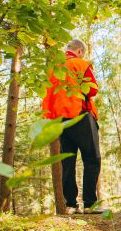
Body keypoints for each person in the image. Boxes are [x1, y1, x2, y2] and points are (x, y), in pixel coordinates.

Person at [42, 39, 106, 215]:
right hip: (81, 115)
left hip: (60, 120)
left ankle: (70, 205)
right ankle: (89, 204)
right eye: (82, 53)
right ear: (79, 51)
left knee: (68, 162)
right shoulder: (80, 63)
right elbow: (92, 90)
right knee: (92, 158)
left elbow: (47, 95)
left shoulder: (54, 68)